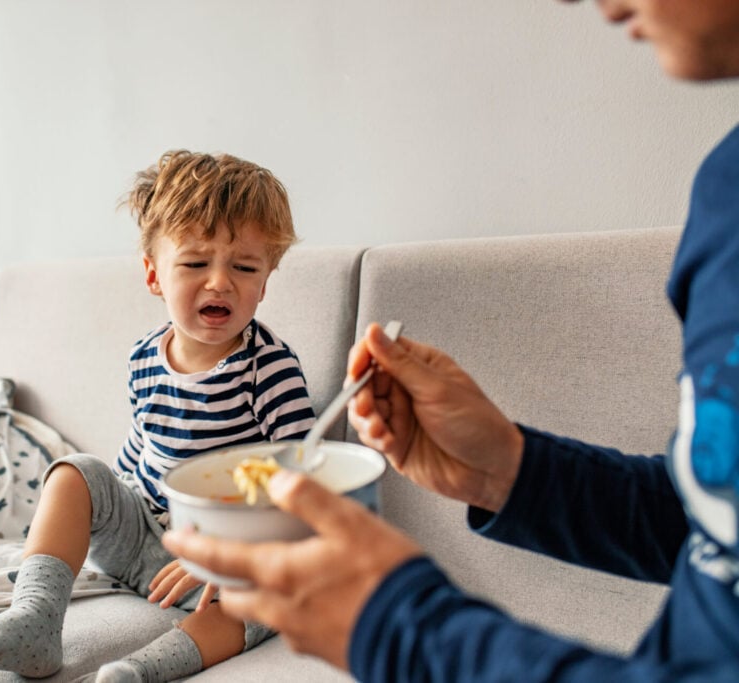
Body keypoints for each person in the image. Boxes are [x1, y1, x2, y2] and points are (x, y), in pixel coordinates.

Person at [163, 1, 739, 680]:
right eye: (194, 263)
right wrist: (511, 469)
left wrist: (400, 627)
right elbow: (715, 527)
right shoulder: (723, 191)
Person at [0, 150, 317, 680]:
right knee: (76, 472)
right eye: (194, 263)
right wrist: (104, 507)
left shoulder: (268, 369)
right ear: (154, 275)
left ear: (265, 282)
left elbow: (305, 480)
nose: (218, 283)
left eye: (244, 267)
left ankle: (141, 671)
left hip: (230, 560)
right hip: (147, 541)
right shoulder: (144, 359)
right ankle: (34, 623)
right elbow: (140, 452)